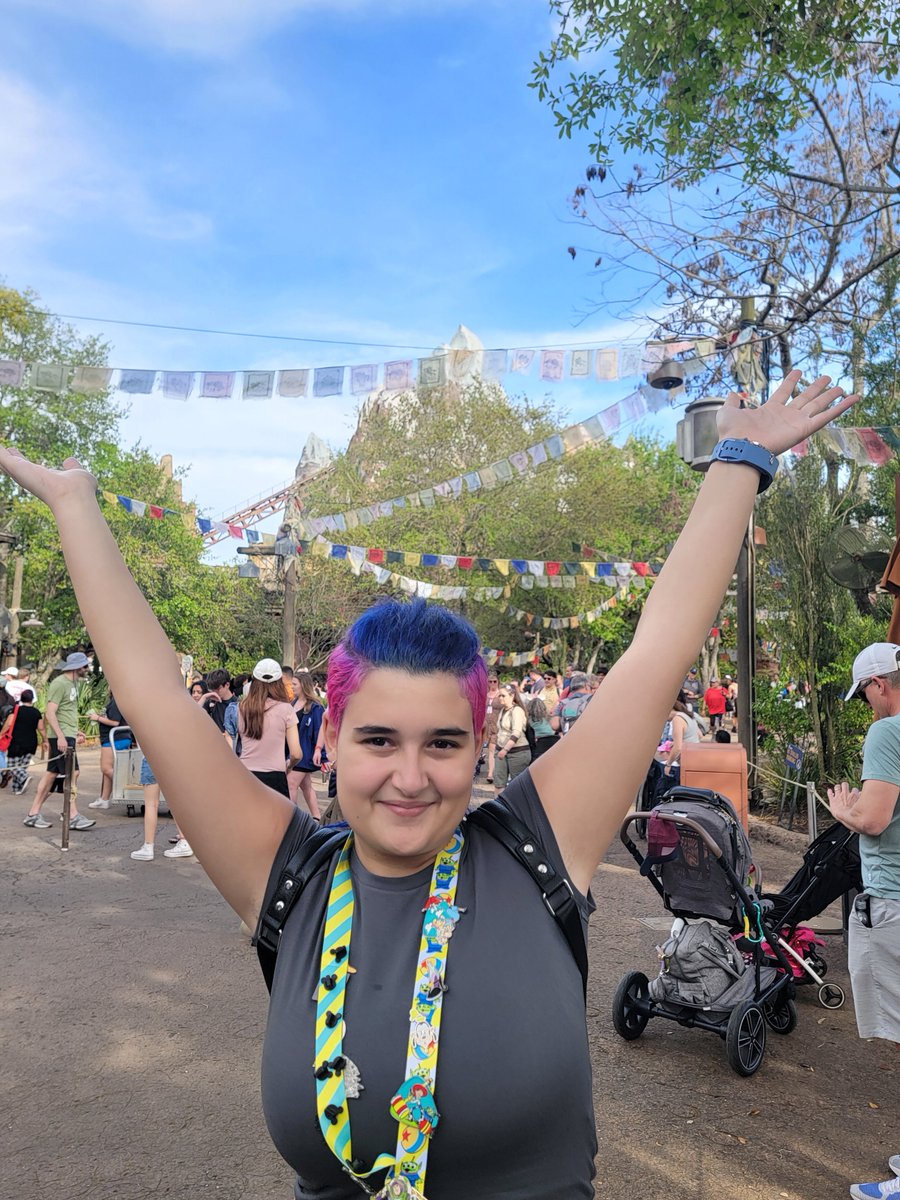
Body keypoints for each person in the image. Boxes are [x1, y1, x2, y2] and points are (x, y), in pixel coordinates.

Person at [0, 370, 856, 1199]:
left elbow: (659, 645)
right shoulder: (284, 874)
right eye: (379, 739)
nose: (410, 777)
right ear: (330, 737)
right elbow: (150, 692)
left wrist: (741, 460)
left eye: (443, 743)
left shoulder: (537, 844)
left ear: (481, 744)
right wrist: (78, 506)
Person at [827, 643, 900, 1200]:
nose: (868, 705)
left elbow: (872, 819)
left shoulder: (886, 732)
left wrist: (841, 812)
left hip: (891, 900)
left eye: (867, 694)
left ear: (879, 683)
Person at [23, 651, 94, 830]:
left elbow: (65, 711)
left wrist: (74, 730)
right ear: (78, 667)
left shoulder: (73, 684)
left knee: (52, 775)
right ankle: (72, 815)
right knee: (72, 773)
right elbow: (50, 712)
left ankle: (33, 813)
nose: (87, 669)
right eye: (85, 666)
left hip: (65, 734)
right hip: (60, 738)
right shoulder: (60, 683)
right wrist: (62, 736)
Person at [237, 659, 301, 798]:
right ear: (279, 682)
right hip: (275, 776)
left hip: (245, 774)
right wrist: (289, 766)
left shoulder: (241, 708)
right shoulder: (286, 709)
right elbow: (296, 753)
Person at [131, 755, 193, 861]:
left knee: (151, 805)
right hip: (171, 757)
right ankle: (184, 842)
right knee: (175, 803)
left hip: (151, 758)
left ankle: (148, 847)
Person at [289, 671, 324, 819]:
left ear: (303, 685)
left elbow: (320, 731)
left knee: (291, 783)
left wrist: (321, 753)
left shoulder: (315, 707)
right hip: (293, 751)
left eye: (294, 684)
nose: (291, 687)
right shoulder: (292, 703)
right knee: (306, 786)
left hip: (305, 752)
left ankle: (292, 820)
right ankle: (317, 818)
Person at [87, 692, 130, 808]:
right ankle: (104, 799)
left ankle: (125, 786)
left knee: (106, 768)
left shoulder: (117, 702)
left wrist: (97, 718)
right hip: (115, 738)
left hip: (114, 739)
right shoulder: (117, 701)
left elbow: (115, 722)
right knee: (107, 770)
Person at [0, 688, 43, 794]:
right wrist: (45, 740)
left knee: (13, 765)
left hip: (17, 742)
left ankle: (24, 777)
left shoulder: (16, 710)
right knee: (22, 765)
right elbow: (41, 728)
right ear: (32, 699)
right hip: (32, 743)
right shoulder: (36, 712)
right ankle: (17, 788)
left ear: (21, 698)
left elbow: (9, 723)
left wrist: (1, 734)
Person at [493, 683, 530, 793]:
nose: (500, 698)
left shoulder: (517, 710)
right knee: (498, 782)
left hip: (517, 752)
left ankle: (517, 809)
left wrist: (505, 749)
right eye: (499, 695)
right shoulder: (503, 710)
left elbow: (516, 733)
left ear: (512, 695)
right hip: (501, 751)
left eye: (503, 695)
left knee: (517, 785)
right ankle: (499, 808)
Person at [662, 697, 701, 778]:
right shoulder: (688, 716)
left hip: (685, 760)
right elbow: (699, 735)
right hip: (695, 757)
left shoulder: (677, 719)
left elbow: (678, 747)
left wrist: (668, 764)